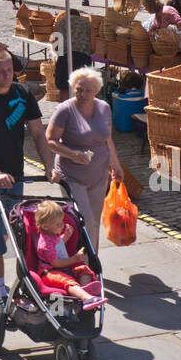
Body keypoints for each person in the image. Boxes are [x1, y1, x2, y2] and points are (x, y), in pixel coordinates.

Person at [0, 48, 57, 302]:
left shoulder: (23, 94)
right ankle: (2, 293)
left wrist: (49, 166)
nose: (7, 76)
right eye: (1, 71)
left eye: (10, 71)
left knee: (13, 233)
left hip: (16, 175)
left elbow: (38, 133)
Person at [46, 67, 126, 251]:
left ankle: (92, 264)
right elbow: (50, 140)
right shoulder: (65, 110)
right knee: (85, 221)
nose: (82, 94)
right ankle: (81, 261)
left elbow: (108, 140)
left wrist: (116, 165)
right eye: (78, 89)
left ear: (96, 91)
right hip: (71, 174)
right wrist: (73, 154)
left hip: (98, 175)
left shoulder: (104, 108)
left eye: (87, 90)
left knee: (95, 223)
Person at [33, 201, 106, 310]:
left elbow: (58, 246)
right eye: (58, 224)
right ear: (45, 226)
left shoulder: (53, 234)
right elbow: (55, 262)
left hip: (62, 268)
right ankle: (86, 298)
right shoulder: (45, 244)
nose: (62, 225)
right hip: (49, 272)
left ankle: (84, 290)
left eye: (62, 222)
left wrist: (66, 236)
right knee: (67, 281)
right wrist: (75, 259)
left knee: (83, 269)